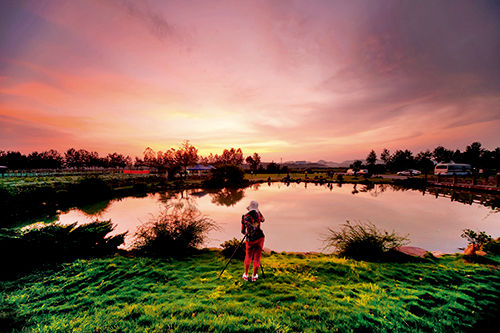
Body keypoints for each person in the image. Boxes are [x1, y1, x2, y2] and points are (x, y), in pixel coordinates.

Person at [241, 200, 265, 281]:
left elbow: (242, 231)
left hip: (250, 239)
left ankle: (246, 275)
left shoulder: (245, 217)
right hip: (260, 237)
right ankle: (254, 276)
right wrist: (259, 211)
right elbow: (263, 220)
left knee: (248, 256)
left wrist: (247, 233)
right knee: (257, 257)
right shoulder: (258, 215)